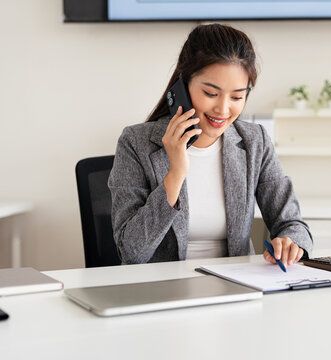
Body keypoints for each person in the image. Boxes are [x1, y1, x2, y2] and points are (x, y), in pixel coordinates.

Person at [108, 23, 312, 267]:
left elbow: (292, 223)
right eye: (211, 93)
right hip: (161, 292)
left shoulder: (254, 141)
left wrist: (291, 241)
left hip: (234, 289)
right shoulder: (136, 143)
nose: (223, 109)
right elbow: (132, 252)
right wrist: (175, 174)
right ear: (183, 86)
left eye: (237, 97)